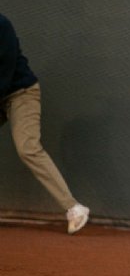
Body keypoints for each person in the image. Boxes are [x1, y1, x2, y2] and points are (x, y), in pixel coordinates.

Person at [0, 13, 90, 235]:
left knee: (27, 148)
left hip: (20, 93)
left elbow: (3, 75)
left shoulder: (2, 26)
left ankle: (74, 208)